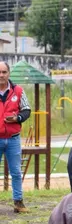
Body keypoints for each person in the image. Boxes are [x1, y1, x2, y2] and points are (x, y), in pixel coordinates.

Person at [0, 61, 31, 213]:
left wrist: (17, 118)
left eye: (4, 72)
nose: (1, 75)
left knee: (16, 172)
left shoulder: (18, 91)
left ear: (9, 73)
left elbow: (26, 110)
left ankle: (18, 202)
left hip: (13, 139)